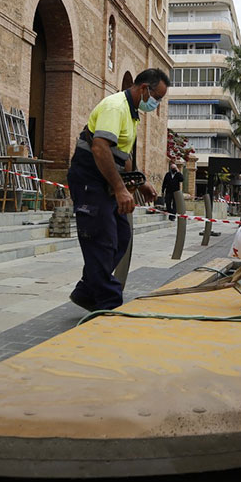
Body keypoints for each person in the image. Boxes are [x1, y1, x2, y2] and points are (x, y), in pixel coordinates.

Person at [67, 68, 165, 312]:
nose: (157, 104)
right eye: (157, 98)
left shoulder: (131, 115)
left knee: (121, 236)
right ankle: (108, 302)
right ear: (144, 89)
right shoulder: (115, 107)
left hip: (105, 181)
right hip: (90, 179)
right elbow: (100, 148)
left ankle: (86, 291)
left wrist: (139, 181)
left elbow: (121, 156)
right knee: (102, 239)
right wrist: (121, 189)